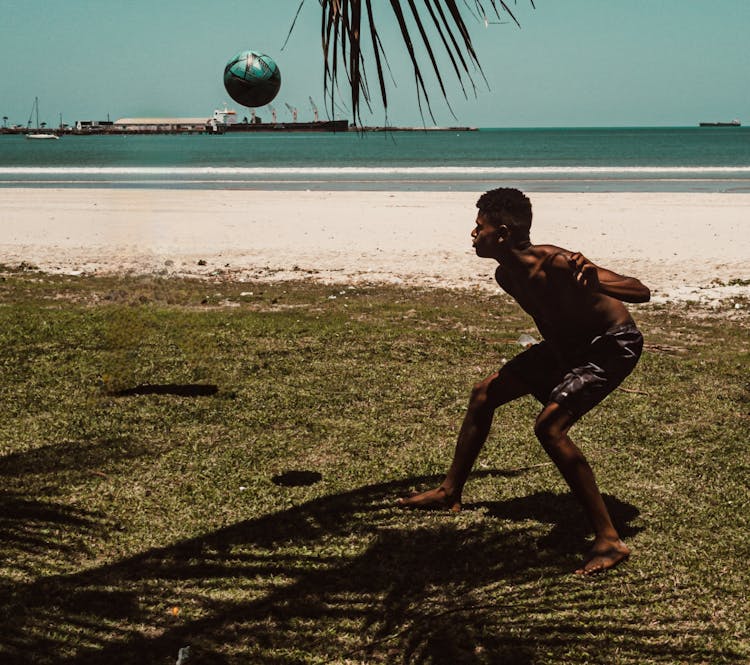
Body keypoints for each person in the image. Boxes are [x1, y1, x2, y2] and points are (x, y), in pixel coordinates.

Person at [398, 187, 650, 575]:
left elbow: (640, 290)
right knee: (484, 394)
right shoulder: (506, 275)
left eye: (478, 227)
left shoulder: (559, 262)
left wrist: (598, 282)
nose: (472, 234)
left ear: (501, 233)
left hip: (610, 345)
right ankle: (450, 491)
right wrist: (555, 364)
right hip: (566, 348)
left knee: (550, 427)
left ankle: (608, 539)